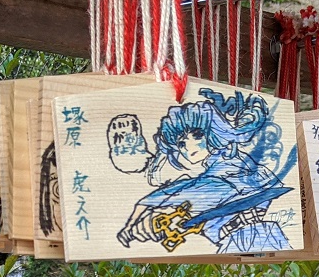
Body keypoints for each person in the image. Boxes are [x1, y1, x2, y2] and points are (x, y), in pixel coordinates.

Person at [117, 88, 293, 255]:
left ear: (215, 131)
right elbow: (160, 196)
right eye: (181, 144)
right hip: (240, 240)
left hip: (251, 237)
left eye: (197, 135)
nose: (189, 146)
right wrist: (131, 225)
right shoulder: (212, 173)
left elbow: (208, 191)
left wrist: (164, 213)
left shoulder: (230, 166)